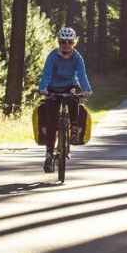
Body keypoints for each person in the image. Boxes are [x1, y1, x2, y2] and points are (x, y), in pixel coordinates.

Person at [37, 26, 93, 172]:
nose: (66, 45)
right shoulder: (52, 56)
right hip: (53, 88)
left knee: (75, 99)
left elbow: (82, 75)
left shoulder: (77, 57)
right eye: (63, 42)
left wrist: (87, 90)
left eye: (69, 42)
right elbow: (46, 74)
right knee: (51, 123)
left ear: (74, 43)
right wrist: (43, 88)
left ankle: (74, 128)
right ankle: (49, 154)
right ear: (59, 42)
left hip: (70, 86)